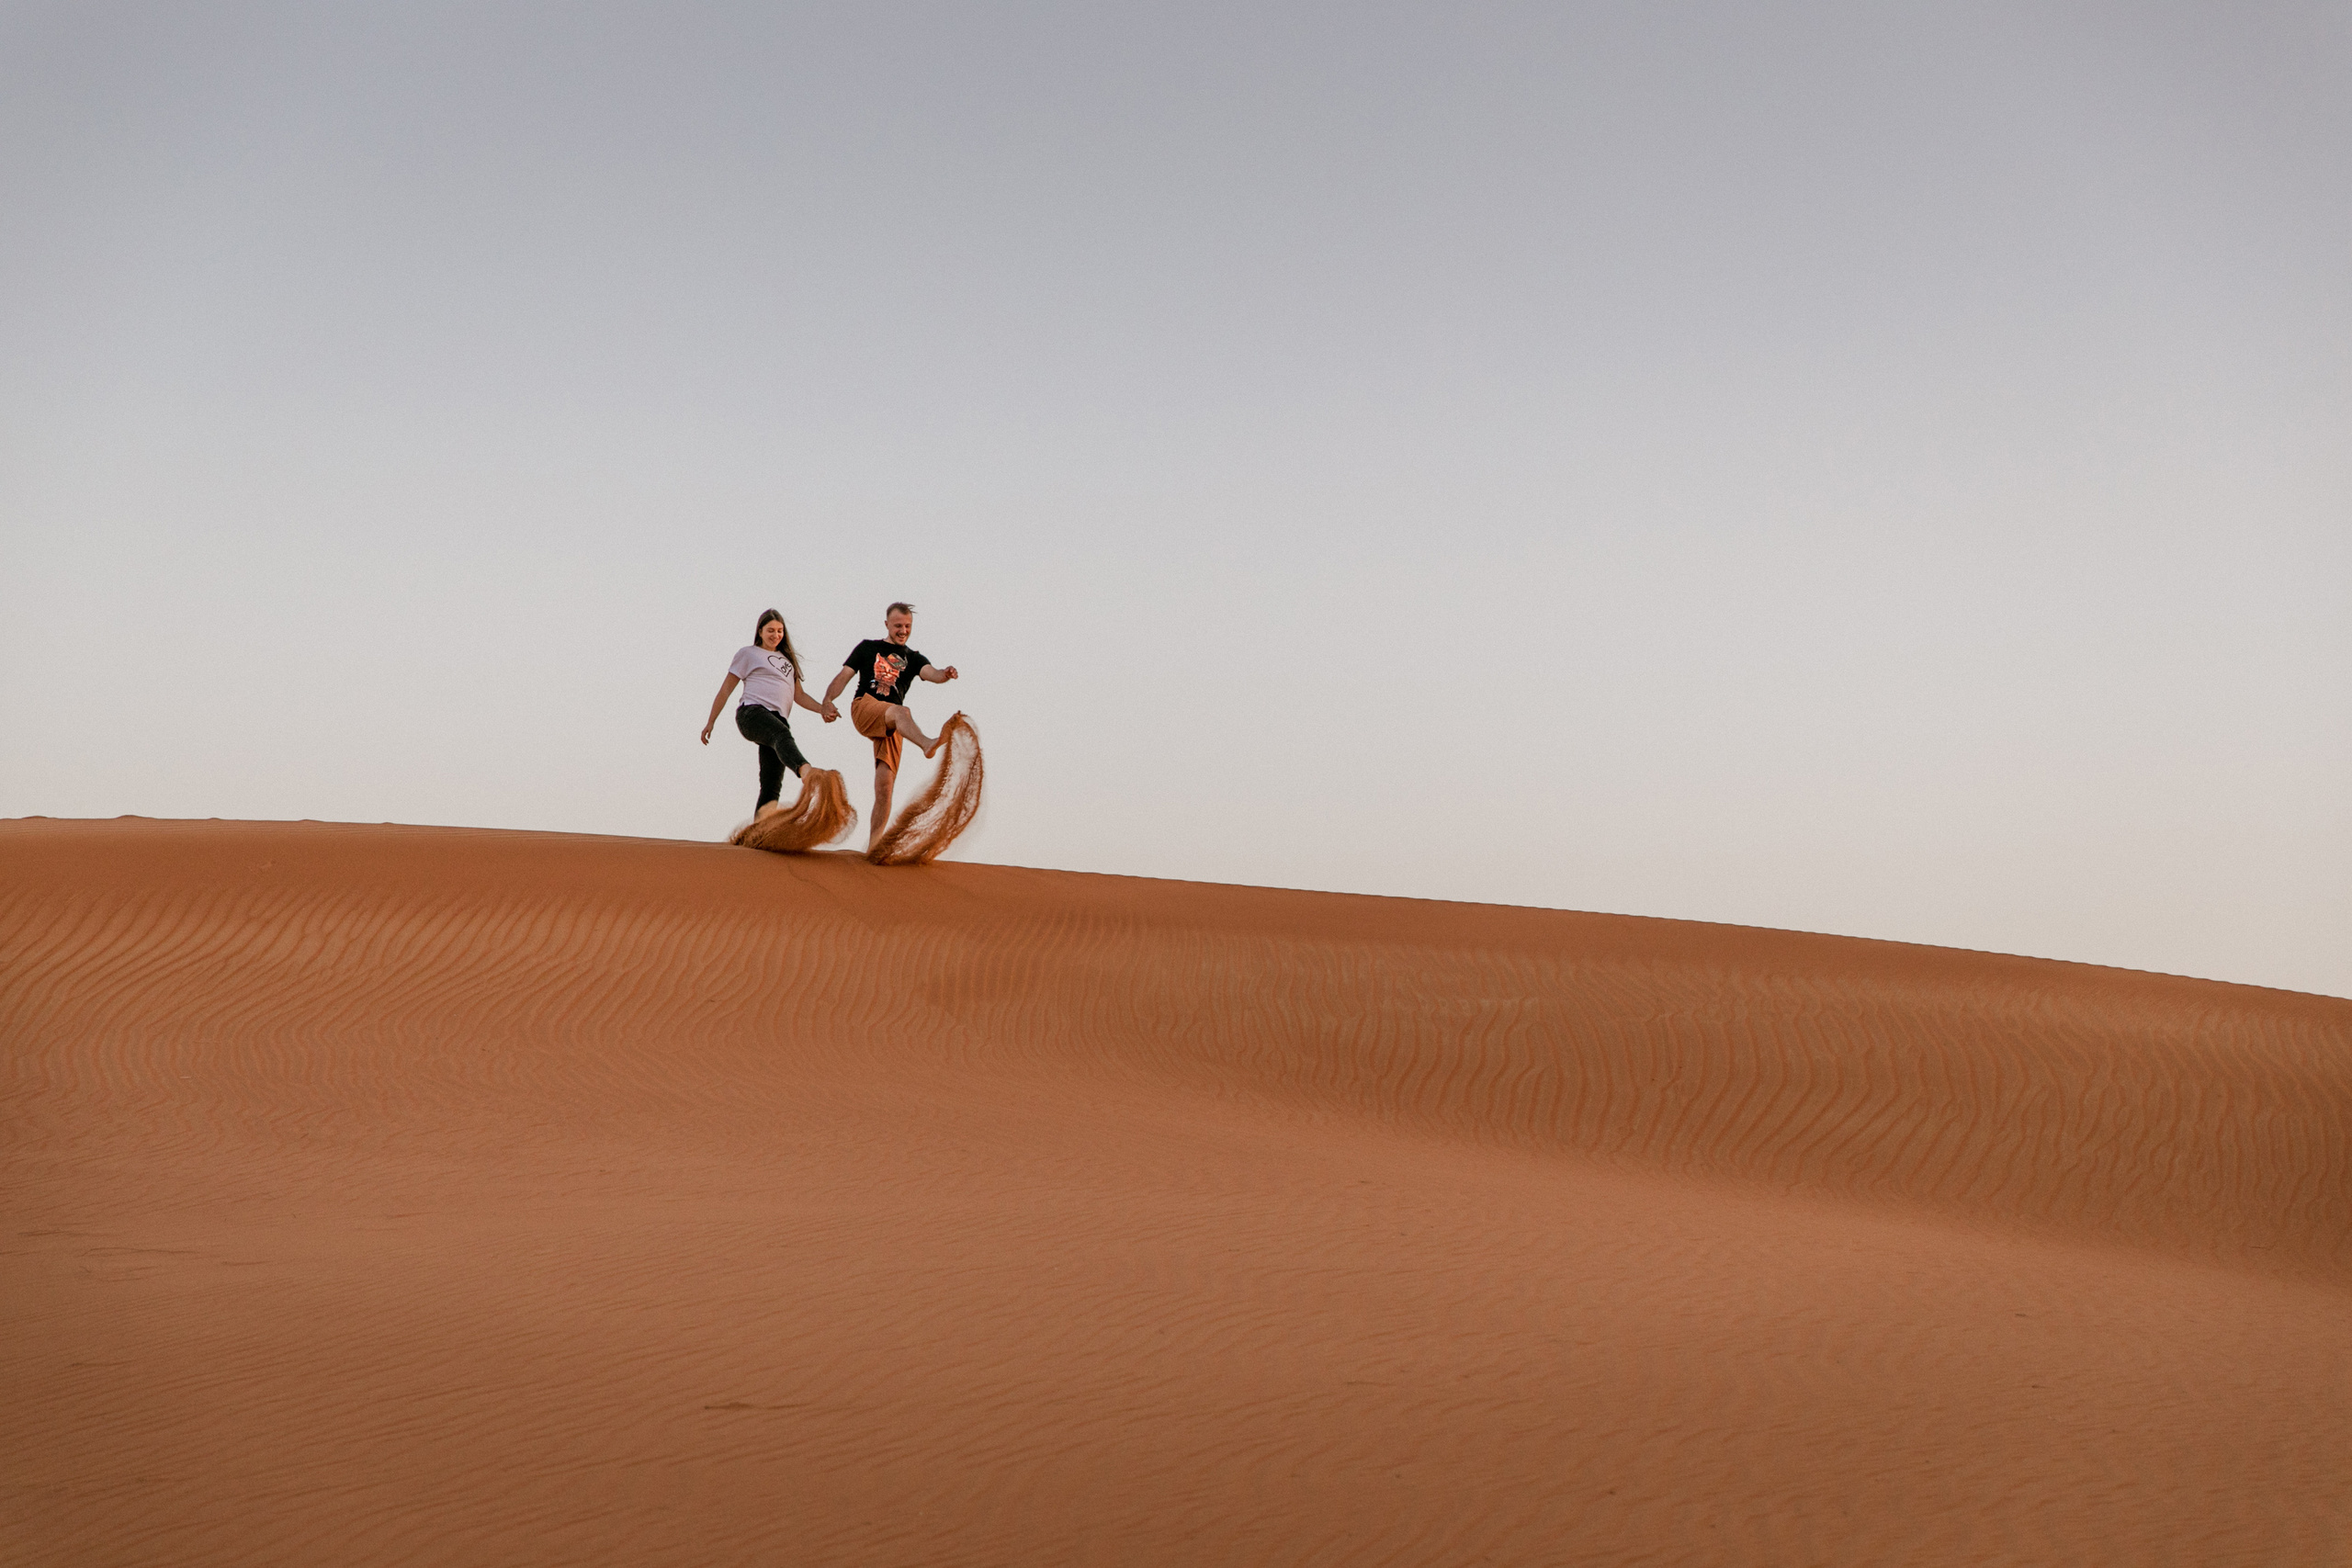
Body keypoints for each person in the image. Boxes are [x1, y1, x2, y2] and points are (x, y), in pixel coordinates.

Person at [825, 602, 960, 854]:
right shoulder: (868, 648)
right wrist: (828, 701)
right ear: (887, 624)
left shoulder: (913, 658)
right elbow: (843, 676)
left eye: (907, 626)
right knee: (901, 711)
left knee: (885, 786)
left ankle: (874, 847)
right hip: (866, 706)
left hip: (893, 722)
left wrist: (945, 673)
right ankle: (928, 744)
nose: (903, 630)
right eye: (898, 625)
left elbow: (932, 674)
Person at [702, 608, 839, 818]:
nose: (775, 635)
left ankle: (760, 831)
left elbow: (799, 696)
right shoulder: (748, 653)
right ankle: (807, 772)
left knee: (772, 783)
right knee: (782, 735)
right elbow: (726, 689)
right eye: (770, 630)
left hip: (777, 720)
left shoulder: (788, 661)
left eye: (780, 631)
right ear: (760, 631)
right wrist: (711, 721)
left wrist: (822, 709)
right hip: (752, 713)